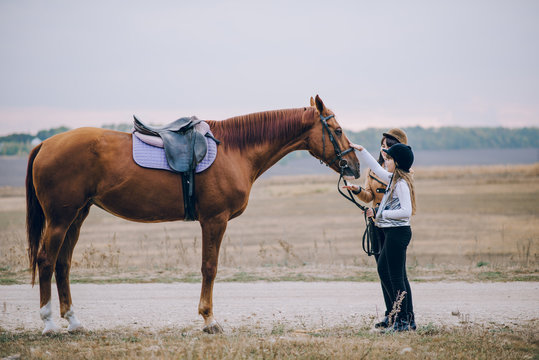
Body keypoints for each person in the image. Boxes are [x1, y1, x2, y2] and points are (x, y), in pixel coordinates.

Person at [342, 129, 414, 330]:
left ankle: (402, 319)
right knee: (389, 272)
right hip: (389, 229)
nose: (385, 159)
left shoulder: (400, 182)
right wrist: (361, 150)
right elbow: (375, 166)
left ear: (397, 163)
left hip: (396, 232)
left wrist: (380, 214)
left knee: (392, 274)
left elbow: (406, 211)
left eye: (389, 158)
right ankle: (401, 318)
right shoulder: (392, 177)